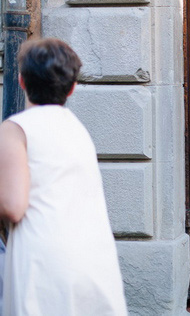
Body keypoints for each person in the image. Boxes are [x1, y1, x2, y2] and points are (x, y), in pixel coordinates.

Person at [0, 38, 127, 316]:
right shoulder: (77, 129)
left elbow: (12, 206)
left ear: (21, 81)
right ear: (72, 87)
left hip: (42, 256)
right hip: (92, 254)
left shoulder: (15, 129)